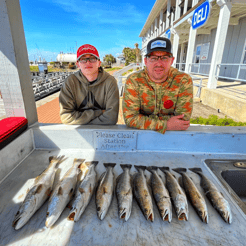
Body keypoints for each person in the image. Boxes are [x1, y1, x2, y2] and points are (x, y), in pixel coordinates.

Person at [122, 37, 193, 134]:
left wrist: (144, 120)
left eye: (164, 58)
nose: (159, 63)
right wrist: (166, 125)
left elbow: (182, 121)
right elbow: (130, 118)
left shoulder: (182, 80)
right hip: (143, 138)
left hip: (173, 138)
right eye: (154, 58)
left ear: (172, 60)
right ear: (146, 61)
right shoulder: (134, 80)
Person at [59, 44, 119, 125]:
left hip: (103, 133)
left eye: (92, 58)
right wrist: (99, 113)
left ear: (99, 63)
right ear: (78, 64)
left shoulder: (110, 82)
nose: (88, 62)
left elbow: (111, 118)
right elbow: (66, 117)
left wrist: (81, 120)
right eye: (83, 59)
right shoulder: (70, 82)